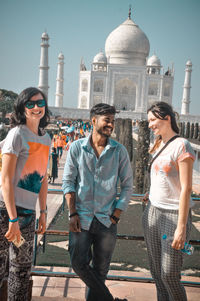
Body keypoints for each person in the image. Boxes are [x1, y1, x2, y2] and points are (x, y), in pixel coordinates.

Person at [62, 103, 133, 301]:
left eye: (113, 120)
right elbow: (68, 182)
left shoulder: (119, 151)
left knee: (101, 271)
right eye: (107, 120)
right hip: (81, 217)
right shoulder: (77, 148)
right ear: (93, 121)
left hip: (106, 219)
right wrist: (72, 212)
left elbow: (128, 185)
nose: (111, 124)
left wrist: (117, 213)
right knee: (78, 263)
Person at [0, 87, 51, 300]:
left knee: (21, 272)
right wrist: (12, 218)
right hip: (5, 212)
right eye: (30, 104)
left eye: (40, 103)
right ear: (22, 107)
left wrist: (44, 211)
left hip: (28, 215)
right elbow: (5, 180)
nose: (36, 107)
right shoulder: (16, 134)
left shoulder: (46, 138)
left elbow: (43, 178)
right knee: (1, 268)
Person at [142, 101, 195, 301]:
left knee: (169, 273)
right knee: (156, 272)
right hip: (153, 212)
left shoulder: (182, 145)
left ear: (167, 118)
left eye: (153, 120)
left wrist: (181, 228)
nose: (150, 125)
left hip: (173, 216)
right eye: (149, 121)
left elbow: (186, 188)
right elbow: (161, 178)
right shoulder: (158, 144)